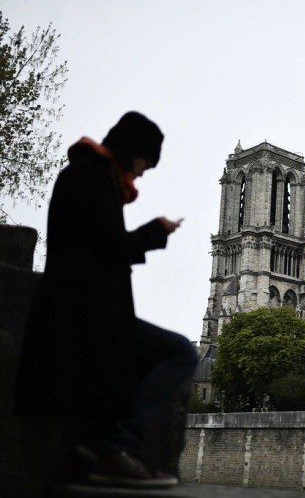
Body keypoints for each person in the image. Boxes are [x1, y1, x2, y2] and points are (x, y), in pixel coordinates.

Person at [15, 112, 198, 488]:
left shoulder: (90, 176)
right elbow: (112, 249)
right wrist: (156, 231)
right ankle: (116, 449)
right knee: (180, 352)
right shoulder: (89, 178)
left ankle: (101, 445)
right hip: (82, 314)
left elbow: (101, 248)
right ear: (132, 151)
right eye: (145, 162)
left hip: (82, 311)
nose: (144, 172)